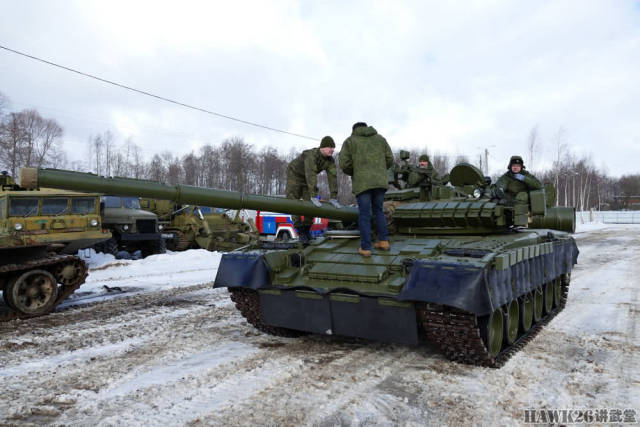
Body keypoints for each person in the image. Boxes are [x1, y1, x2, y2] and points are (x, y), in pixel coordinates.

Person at [339, 122, 393, 257]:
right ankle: (384, 241)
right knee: (378, 211)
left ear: (354, 130)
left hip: (362, 183)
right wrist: (379, 170)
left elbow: (344, 163)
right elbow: (390, 159)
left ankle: (366, 248)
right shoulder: (380, 139)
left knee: (364, 214)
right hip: (380, 182)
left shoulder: (350, 141)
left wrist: (357, 171)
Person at [286, 136, 340, 242]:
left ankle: (306, 229)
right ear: (323, 147)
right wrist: (314, 195)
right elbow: (311, 175)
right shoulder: (311, 156)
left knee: (310, 204)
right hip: (295, 174)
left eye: (333, 148)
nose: (332, 150)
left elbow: (333, 177)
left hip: (307, 178)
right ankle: (300, 231)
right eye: (330, 147)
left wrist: (333, 197)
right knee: (293, 202)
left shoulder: (330, 161)